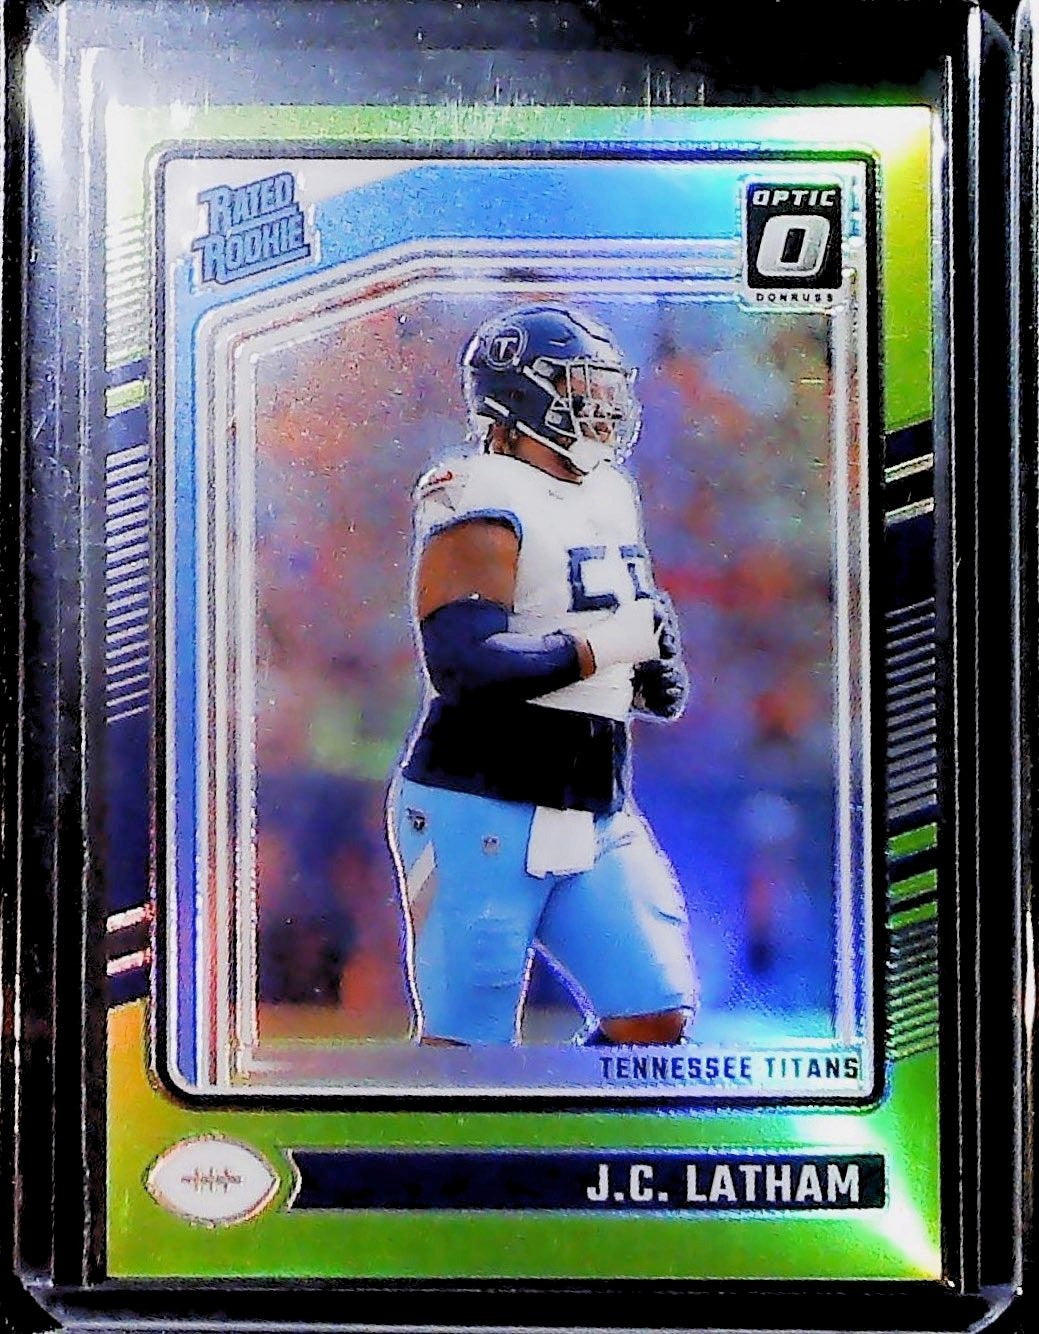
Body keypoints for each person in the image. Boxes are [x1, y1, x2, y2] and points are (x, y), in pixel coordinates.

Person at [387, 304, 698, 1047]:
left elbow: (603, 614)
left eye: (605, 388)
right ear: (522, 394)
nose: (602, 405)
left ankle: (568, 1123)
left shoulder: (610, 490)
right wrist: (602, 648)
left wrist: (645, 665)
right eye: (580, 386)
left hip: (594, 800)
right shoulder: (477, 489)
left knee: (654, 1015)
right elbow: (463, 665)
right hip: (479, 804)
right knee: (469, 1050)